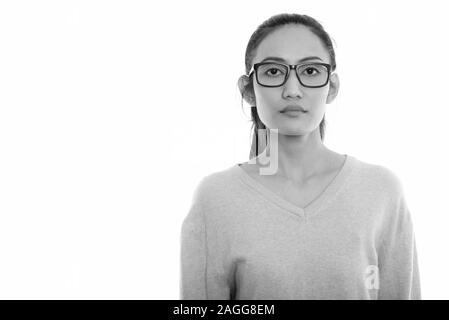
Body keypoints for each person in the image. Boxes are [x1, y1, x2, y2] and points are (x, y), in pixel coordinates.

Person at [180, 13, 421, 300]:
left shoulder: (381, 191)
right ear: (248, 90)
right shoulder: (215, 198)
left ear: (331, 87)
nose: (292, 91)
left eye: (309, 71)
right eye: (273, 72)